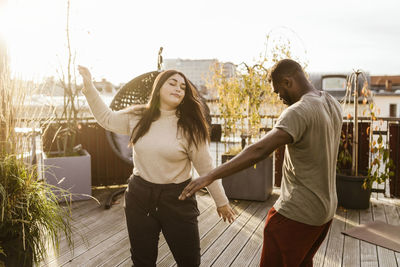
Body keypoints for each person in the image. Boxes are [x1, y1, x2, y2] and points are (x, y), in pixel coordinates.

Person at [179, 59, 343, 267]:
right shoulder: (330, 102)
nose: (279, 97)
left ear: (287, 81)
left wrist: (210, 175)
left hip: (296, 214)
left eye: (277, 91)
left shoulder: (298, 111)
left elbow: (258, 151)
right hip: (325, 212)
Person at [78, 66, 235, 267]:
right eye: (172, 83)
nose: (179, 89)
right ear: (159, 87)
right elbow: (107, 118)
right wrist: (89, 87)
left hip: (178, 199)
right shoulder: (138, 116)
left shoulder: (191, 127)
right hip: (140, 197)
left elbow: (206, 169)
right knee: (142, 262)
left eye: (183, 87)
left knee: (189, 262)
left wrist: (221, 202)